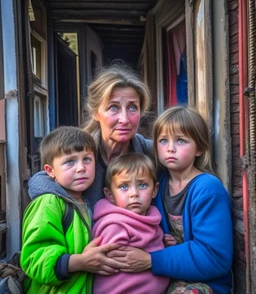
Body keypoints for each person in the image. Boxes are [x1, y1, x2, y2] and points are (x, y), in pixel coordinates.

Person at [27, 63, 152, 274]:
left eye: (132, 107)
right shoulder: (82, 154)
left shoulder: (149, 152)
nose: (124, 118)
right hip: (88, 272)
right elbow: (39, 181)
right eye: (113, 107)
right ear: (96, 113)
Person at [109, 106, 233, 294]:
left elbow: (214, 256)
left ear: (199, 148)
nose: (170, 148)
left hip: (204, 284)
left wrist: (151, 259)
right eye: (163, 140)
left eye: (181, 141)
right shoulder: (158, 185)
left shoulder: (207, 188)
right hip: (167, 276)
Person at [20, 126, 126, 293]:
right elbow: (34, 258)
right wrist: (80, 262)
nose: (81, 168)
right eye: (70, 161)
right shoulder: (49, 203)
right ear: (50, 171)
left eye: (87, 159)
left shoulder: (88, 201)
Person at [92, 153, 170, 294]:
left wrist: (165, 248)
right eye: (124, 187)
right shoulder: (115, 225)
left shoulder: (152, 218)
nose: (134, 193)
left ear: (155, 190)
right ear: (110, 195)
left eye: (142, 185)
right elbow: (109, 261)